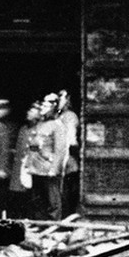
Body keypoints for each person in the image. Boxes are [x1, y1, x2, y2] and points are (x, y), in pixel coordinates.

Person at [55, 89, 81, 217]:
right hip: (60, 161)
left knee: (65, 192)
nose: (59, 100)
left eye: (61, 96)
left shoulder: (69, 116)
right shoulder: (60, 116)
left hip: (68, 161)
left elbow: (71, 140)